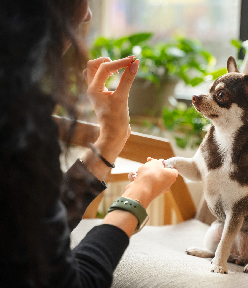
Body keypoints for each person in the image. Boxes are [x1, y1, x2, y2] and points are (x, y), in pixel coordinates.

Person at [0, 0, 178, 287]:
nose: (87, 14)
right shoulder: (17, 121)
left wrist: (110, 138)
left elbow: (27, 231)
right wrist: (138, 195)